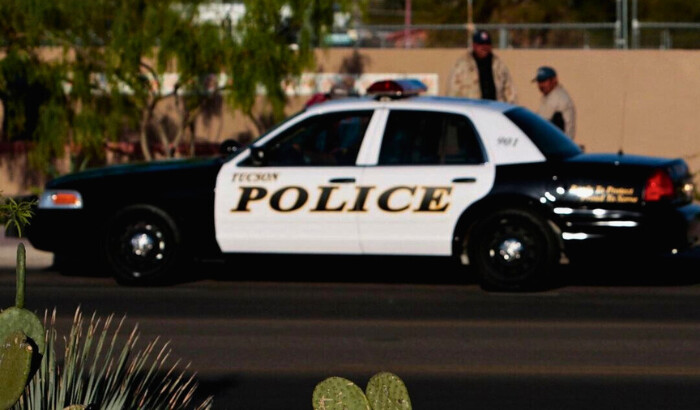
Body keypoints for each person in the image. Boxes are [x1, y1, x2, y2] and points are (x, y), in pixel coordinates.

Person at [446, 29, 517, 104]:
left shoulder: (499, 65)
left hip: (495, 110)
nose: (484, 47)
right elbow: (452, 92)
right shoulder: (462, 66)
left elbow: (509, 91)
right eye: (481, 44)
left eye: (487, 44)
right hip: (472, 111)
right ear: (474, 45)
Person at [533, 66, 576, 139]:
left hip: (558, 144)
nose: (541, 85)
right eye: (539, 82)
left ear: (554, 80)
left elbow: (540, 124)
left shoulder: (557, 98)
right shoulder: (550, 96)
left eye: (544, 81)